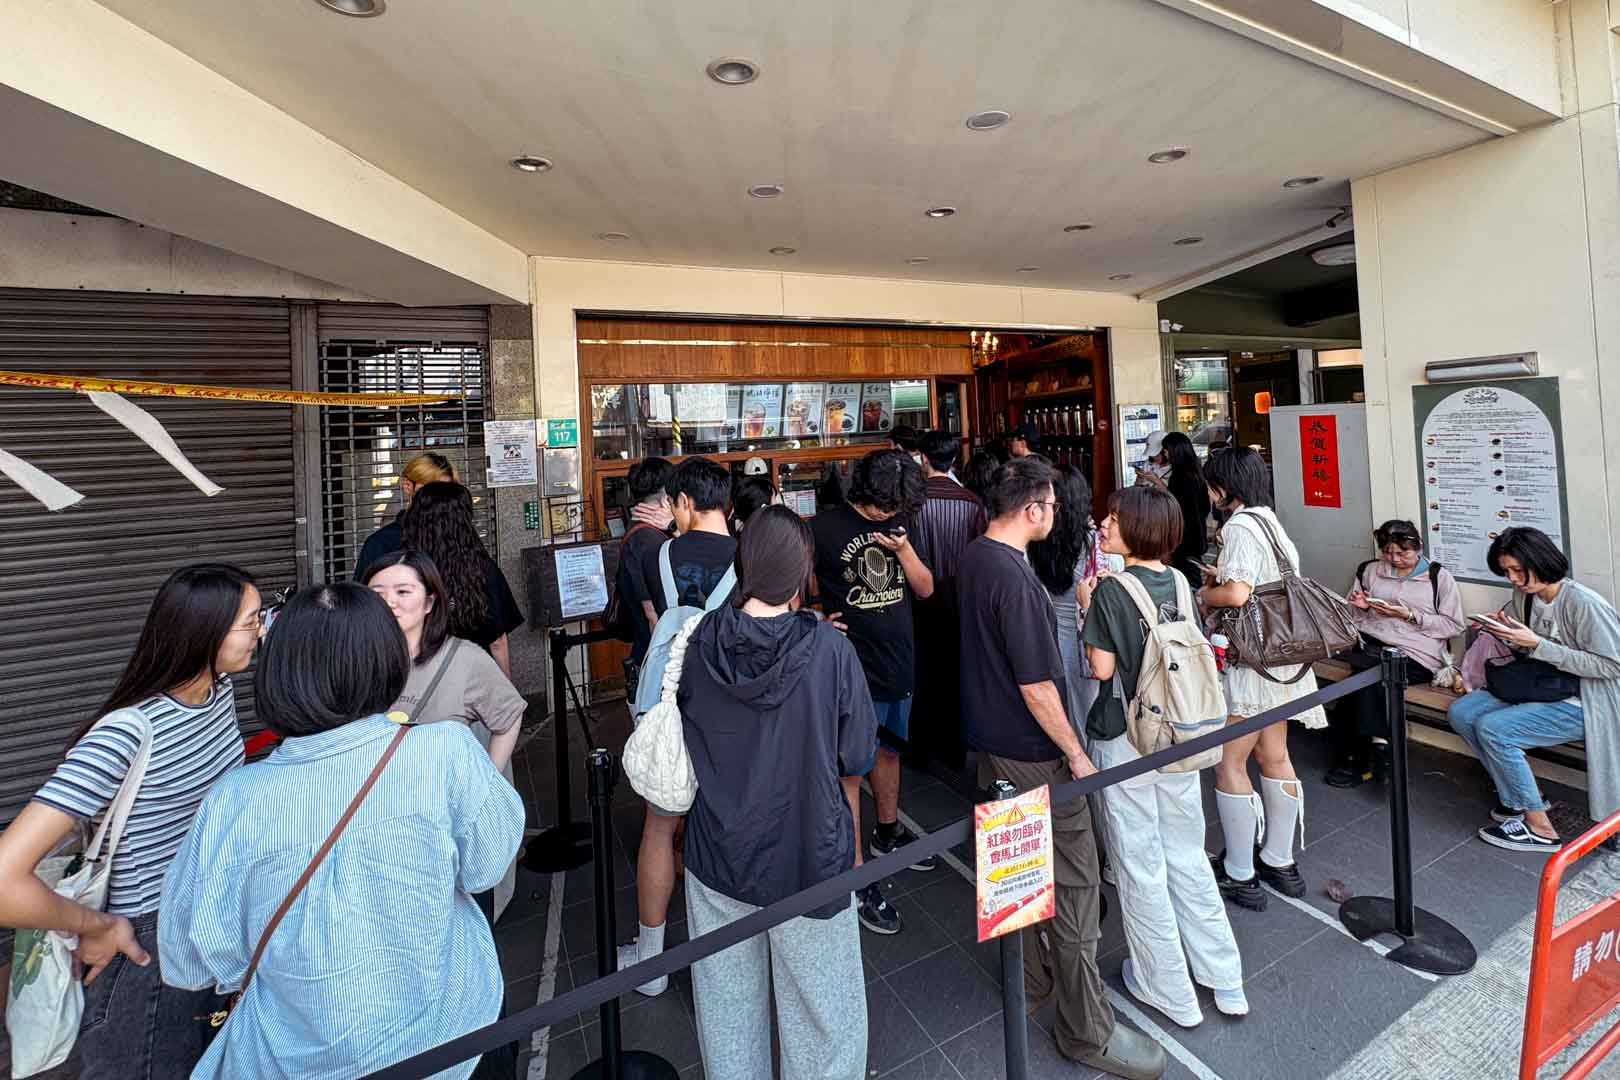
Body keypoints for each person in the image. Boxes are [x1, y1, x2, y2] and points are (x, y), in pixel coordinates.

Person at [157, 583, 523, 1079]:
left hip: (292, 1058)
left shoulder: (234, 802)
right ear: (387, 660)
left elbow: (192, 960)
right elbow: (487, 866)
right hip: (451, 1036)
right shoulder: (445, 754)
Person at [0, 565, 259, 1080]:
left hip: (201, 923)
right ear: (205, 632)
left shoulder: (217, 693)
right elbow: (4, 880)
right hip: (145, 947)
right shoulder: (124, 734)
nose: (261, 632)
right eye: (251, 622)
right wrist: (98, 927)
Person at [957, 457, 1166, 1080]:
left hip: (991, 749)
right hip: (1033, 754)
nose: (1057, 513)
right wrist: (1075, 753)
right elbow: (1038, 687)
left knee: (1016, 877)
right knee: (1075, 885)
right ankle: (1085, 1030)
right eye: (1049, 503)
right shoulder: (1017, 583)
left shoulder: (973, 558)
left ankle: (1029, 981)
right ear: (1033, 510)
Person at [679, 506, 876, 1080]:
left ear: (742, 565)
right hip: (809, 850)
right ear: (801, 574)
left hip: (718, 849)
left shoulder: (700, 640)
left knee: (727, 1010)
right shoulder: (829, 651)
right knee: (823, 1014)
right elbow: (857, 752)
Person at [1083, 487, 1247, 1029]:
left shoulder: (1111, 590)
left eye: (1113, 518)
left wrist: (1088, 610)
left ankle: (1167, 987)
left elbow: (1102, 671)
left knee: (1139, 859)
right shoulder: (1178, 580)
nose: (1103, 525)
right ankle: (1224, 978)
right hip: (1181, 737)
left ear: (1139, 528)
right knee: (1188, 851)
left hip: (1127, 738)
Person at [621, 456, 739, 992]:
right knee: (723, 824)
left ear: (684, 502)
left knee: (660, 825)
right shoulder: (749, 557)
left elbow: (655, 621)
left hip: (669, 701)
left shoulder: (660, 553)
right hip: (729, 705)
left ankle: (651, 965)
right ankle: (725, 953)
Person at [812, 448, 935, 936]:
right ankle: (857, 873)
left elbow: (925, 589)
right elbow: (789, 591)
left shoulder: (903, 524)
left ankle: (888, 832)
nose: (895, 513)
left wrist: (903, 550)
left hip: (898, 660)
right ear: (866, 493)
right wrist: (815, 620)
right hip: (850, 670)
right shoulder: (823, 529)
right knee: (849, 771)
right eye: (888, 505)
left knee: (889, 753)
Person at [1197, 447, 1325, 911]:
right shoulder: (1270, 520)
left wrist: (1205, 591)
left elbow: (1237, 592)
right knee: (1275, 756)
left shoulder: (1238, 526)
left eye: (1212, 484)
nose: (1209, 493)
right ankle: (1280, 860)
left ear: (1225, 488)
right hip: (1285, 660)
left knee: (1229, 762)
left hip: (1254, 664)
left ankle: (1240, 872)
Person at [1450, 527, 1620, 852]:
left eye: (1518, 570)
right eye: (1507, 571)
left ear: (1541, 561)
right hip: (1542, 686)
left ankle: (1540, 828)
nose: (1513, 579)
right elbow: (1528, 646)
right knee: (1462, 711)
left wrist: (1539, 645)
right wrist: (1502, 631)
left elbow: (1611, 666)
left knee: (1495, 729)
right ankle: (1519, 799)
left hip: (1587, 701)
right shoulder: (1524, 597)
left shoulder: (1582, 603)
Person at [1325, 520, 1465, 788]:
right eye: (1388, 553)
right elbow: (1351, 616)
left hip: (1416, 653)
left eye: (1404, 553)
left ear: (1419, 548)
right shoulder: (1370, 570)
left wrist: (1410, 615)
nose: (1395, 559)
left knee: (1367, 681)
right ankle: (1381, 750)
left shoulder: (1438, 577)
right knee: (1367, 680)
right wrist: (1362, 608)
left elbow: (1454, 625)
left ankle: (1361, 758)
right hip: (1371, 644)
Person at [909, 430, 988, 768]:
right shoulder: (972, 503)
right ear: (954, 459)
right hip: (960, 601)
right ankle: (957, 751)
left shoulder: (912, 503)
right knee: (957, 673)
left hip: (919, 601)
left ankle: (923, 750)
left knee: (924, 674)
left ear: (923, 458)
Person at [402, 481, 525, 679]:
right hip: (474, 678)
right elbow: (497, 639)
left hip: (421, 680)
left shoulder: (406, 567)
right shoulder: (480, 568)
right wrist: (506, 682)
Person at [613, 457, 676, 688]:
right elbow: (652, 615)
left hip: (646, 650)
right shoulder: (647, 540)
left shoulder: (640, 532)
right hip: (655, 659)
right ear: (664, 497)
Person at [352, 452, 454, 579]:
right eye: (429, 490)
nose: (437, 498)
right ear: (407, 486)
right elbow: (364, 597)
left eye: (446, 491)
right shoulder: (382, 543)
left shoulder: (458, 534)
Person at [1159, 432, 1212, 590]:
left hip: (1183, 535)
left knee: (1187, 577)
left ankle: (1194, 608)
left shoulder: (1179, 477)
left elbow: (1176, 506)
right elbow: (1204, 506)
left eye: (1166, 450)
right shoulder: (1196, 472)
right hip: (1196, 532)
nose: (1164, 453)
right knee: (1192, 573)